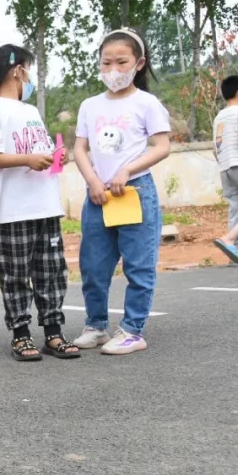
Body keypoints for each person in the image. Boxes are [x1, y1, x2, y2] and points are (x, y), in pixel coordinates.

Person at [0, 44, 81, 362]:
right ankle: (21, 336)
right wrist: (28, 159)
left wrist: (56, 157)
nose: (30, 76)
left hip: (46, 206)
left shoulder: (31, 112)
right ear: (18, 70)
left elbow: (38, 153)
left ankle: (54, 333)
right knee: (16, 275)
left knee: (52, 272)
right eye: (28, 69)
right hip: (13, 210)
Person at [72, 28, 171, 355]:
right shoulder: (89, 105)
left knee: (138, 264)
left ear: (138, 63)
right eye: (106, 63)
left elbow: (163, 145)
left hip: (134, 192)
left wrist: (127, 170)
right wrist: (93, 181)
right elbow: (80, 149)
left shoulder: (147, 102)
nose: (113, 70)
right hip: (98, 196)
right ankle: (96, 326)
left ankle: (132, 330)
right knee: (93, 264)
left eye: (121, 62)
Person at [212, 74, 238, 263]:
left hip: (225, 167)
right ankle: (229, 239)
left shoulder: (219, 117)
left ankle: (233, 252)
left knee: (236, 208)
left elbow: (215, 149)